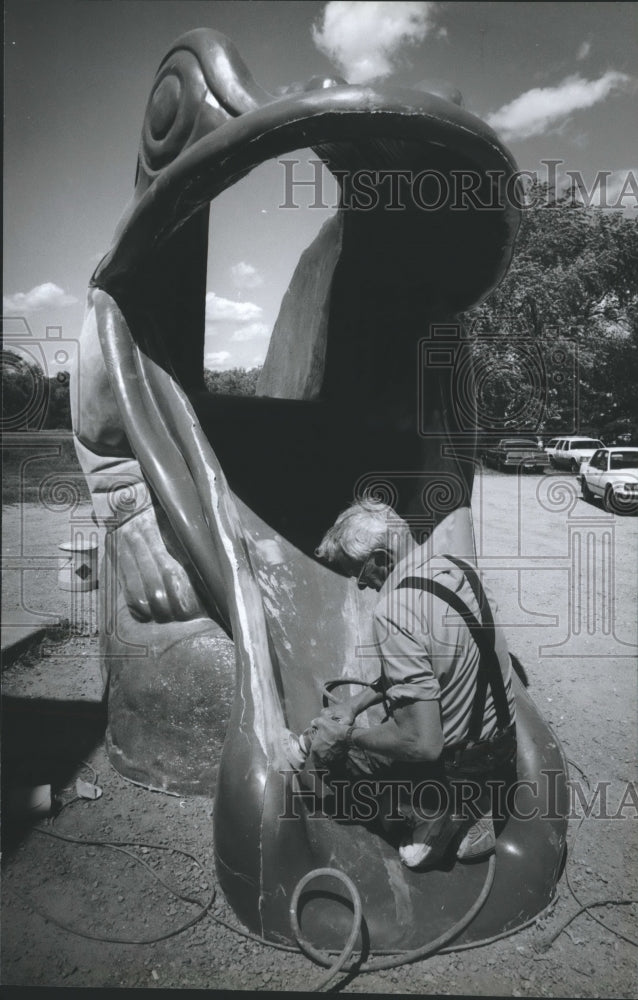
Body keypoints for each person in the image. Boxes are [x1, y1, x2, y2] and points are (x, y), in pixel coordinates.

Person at [285, 497, 517, 870]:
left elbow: (422, 744)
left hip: (455, 766)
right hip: (499, 749)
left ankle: (428, 812)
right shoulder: (458, 569)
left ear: (380, 558)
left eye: (358, 574)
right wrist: (357, 704)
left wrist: (347, 737)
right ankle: (478, 800)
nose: (361, 587)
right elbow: (440, 663)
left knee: (325, 772)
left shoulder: (394, 611)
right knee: (370, 727)